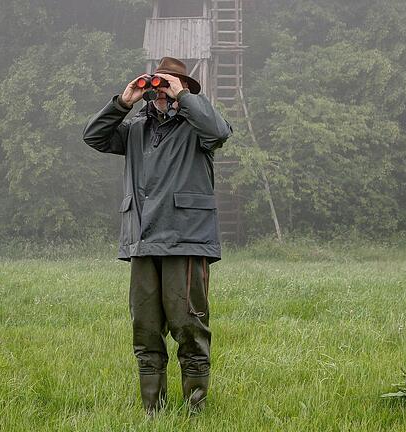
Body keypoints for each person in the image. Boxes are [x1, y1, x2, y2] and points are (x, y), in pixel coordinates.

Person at [82, 57, 232, 414]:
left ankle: (195, 411)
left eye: (167, 86)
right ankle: (154, 411)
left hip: (186, 238)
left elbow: (220, 131)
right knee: (145, 328)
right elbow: (93, 135)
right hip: (143, 239)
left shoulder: (197, 127)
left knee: (188, 325)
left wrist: (182, 94)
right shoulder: (135, 129)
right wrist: (124, 100)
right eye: (157, 87)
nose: (160, 93)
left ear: (181, 90)